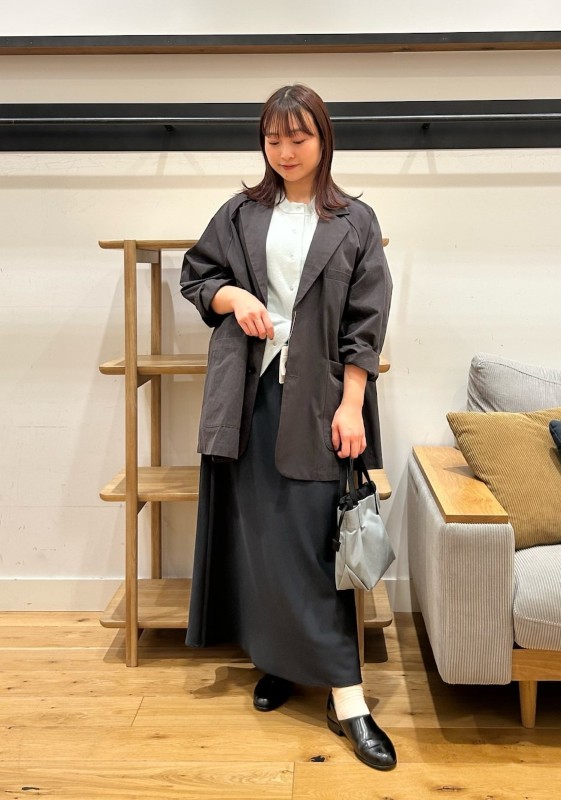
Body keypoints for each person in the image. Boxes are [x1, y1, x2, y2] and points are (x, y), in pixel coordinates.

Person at [180, 84, 394, 771]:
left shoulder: (355, 222)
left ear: (323, 139)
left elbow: (366, 323)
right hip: (247, 397)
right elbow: (197, 276)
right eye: (273, 139)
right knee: (261, 540)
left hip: (320, 402)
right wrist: (232, 296)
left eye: (298, 138)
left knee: (313, 544)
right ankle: (277, 662)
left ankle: (348, 698)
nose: (285, 151)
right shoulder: (241, 213)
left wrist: (351, 403)